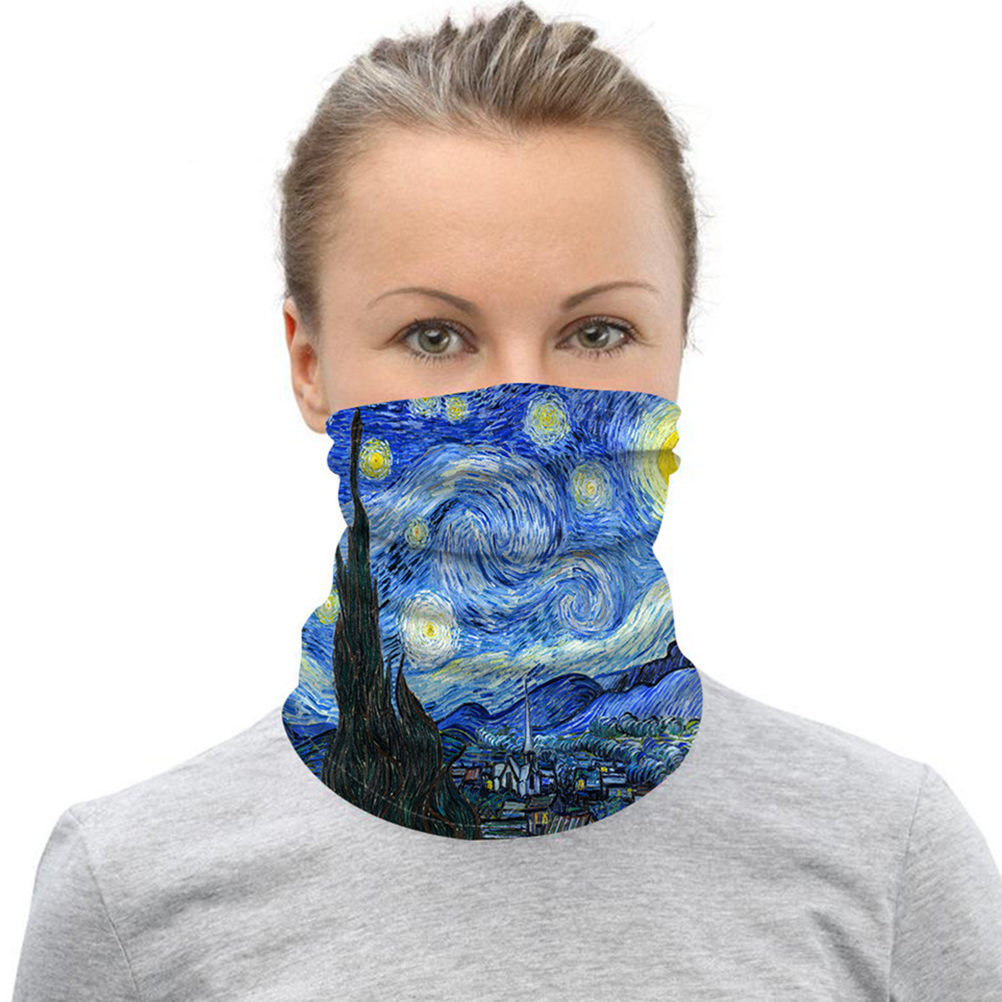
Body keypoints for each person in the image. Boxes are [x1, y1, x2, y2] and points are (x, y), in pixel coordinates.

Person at [12, 2, 1002, 998]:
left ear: (677, 343)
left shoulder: (887, 860)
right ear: (310, 366)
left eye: (599, 333)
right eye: (434, 336)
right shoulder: (131, 894)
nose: (523, 410)